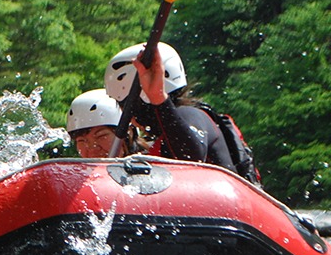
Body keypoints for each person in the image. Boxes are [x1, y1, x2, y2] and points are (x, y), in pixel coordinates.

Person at [104, 42, 259, 184]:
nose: (130, 119)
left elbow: (190, 159)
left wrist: (158, 97)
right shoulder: (170, 135)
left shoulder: (190, 115)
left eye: (124, 107)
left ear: (138, 104)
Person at [66, 88, 137, 158]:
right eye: (81, 140)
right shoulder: (75, 169)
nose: (92, 149)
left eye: (101, 136)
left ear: (128, 134)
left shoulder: (146, 165)